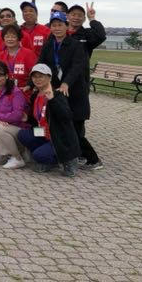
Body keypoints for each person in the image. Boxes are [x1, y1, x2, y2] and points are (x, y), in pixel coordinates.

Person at [39, 11, 102, 170]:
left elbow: (77, 67)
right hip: (58, 93)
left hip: (75, 92)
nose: (57, 28)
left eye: (60, 25)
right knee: (63, 127)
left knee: (75, 129)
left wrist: (66, 83)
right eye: (54, 25)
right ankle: (69, 158)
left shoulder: (76, 44)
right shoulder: (49, 45)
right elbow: (43, 65)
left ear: (67, 26)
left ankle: (93, 160)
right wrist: (38, 84)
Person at [17, 64, 81, 176]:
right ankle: (48, 161)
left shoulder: (58, 94)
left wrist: (52, 100)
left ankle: (68, 160)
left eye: (41, 76)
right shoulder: (35, 95)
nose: (37, 79)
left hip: (58, 137)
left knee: (38, 155)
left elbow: (67, 116)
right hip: (43, 132)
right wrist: (27, 118)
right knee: (23, 134)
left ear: (49, 77)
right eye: (35, 77)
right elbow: (37, 119)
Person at [0, 61, 29, 169]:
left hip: (18, 129)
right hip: (2, 129)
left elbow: (17, 115)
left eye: (0, 74)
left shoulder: (15, 92)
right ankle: (18, 151)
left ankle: (17, 158)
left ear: (7, 76)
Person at [0, 24, 36, 95]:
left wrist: (29, 86)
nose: (10, 39)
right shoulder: (0, 56)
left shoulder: (28, 54)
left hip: (24, 91)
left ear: (19, 38)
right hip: (6, 91)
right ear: (3, 39)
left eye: (13, 37)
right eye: (7, 37)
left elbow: (35, 73)